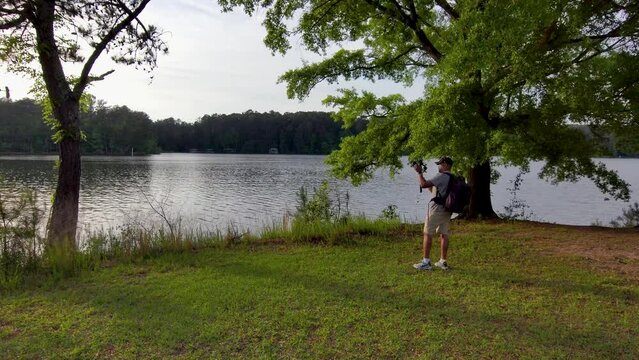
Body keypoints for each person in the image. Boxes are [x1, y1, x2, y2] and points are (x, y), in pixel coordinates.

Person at [412, 156, 454, 270]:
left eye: (439, 164)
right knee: (444, 234)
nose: (438, 166)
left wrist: (420, 173)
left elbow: (424, 184)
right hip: (447, 209)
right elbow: (434, 190)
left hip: (436, 209)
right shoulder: (452, 177)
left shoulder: (441, 176)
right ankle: (443, 261)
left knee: (427, 233)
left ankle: (426, 262)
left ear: (445, 164)